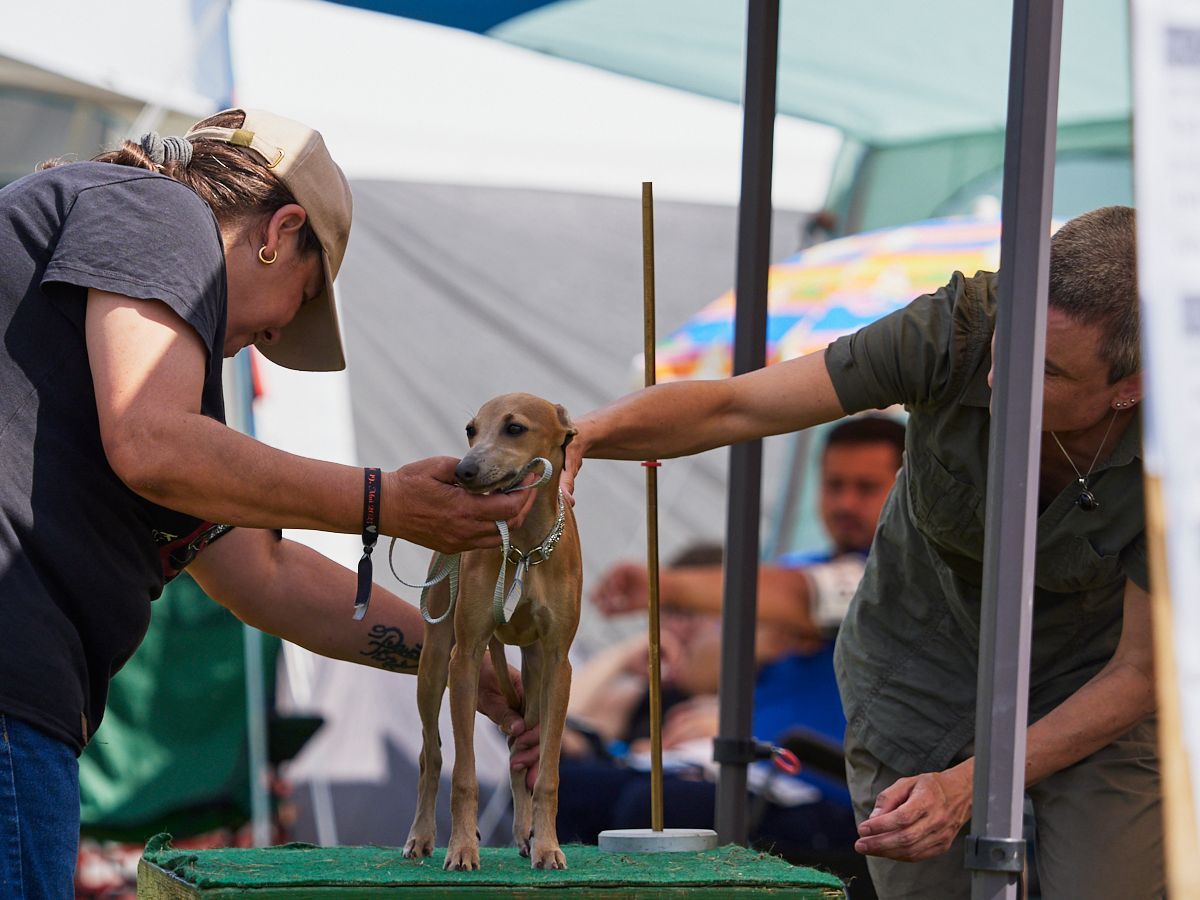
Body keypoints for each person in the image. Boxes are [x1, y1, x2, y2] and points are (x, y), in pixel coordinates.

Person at [0, 108, 541, 898]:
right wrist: (383, 500)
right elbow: (152, 442)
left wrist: (462, 664)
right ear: (281, 232)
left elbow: (265, 574)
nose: (279, 334)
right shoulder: (160, 208)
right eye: (305, 293)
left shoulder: (147, 359)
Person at [562, 207, 1158, 899]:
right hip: (916, 662)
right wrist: (580, 435)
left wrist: (970, 785)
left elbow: (1141, 671)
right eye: (1007, 342)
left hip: (1095, 682)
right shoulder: (954, 328)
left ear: (1132, 386)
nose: (1000, 377)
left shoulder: (1181, 436)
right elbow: (735, 406)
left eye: (1045, 370)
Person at [557, 417, 905, 865]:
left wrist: (665, 586)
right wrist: (761, 642)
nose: (845, 502)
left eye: (865, 488)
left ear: (903, 492)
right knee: (566, 791)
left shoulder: (898, 580)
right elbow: (699, 671)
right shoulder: (791, 568)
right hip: (743, 773)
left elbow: (808, 595)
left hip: (826, 792)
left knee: (655, 810)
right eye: (834, 485)